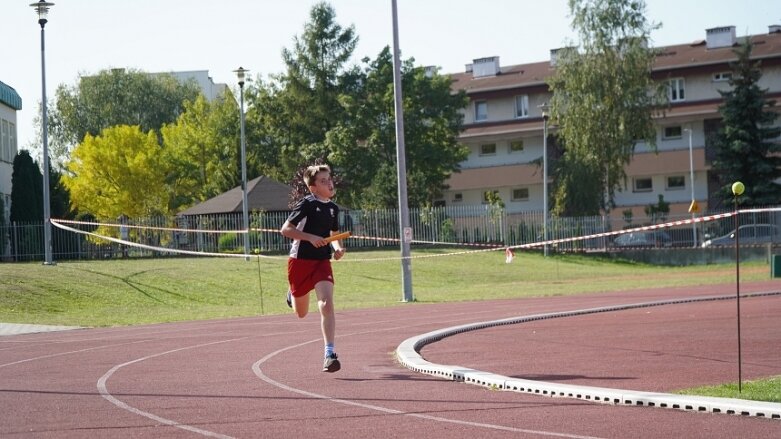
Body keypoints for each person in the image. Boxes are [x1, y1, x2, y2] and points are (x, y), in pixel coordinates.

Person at [280, 164, 346, 373]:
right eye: (323, 181)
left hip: (321, 262)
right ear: (313, 188)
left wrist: (337, 248)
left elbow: (334, 234)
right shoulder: (306, 205)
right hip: (299, 261)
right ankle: (292, 293)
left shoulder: (333, 208)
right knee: (301, 313)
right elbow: (285, 229)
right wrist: (310, 237)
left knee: (326, 304)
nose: (329, 183)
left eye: (329, 179)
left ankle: (329, 353)